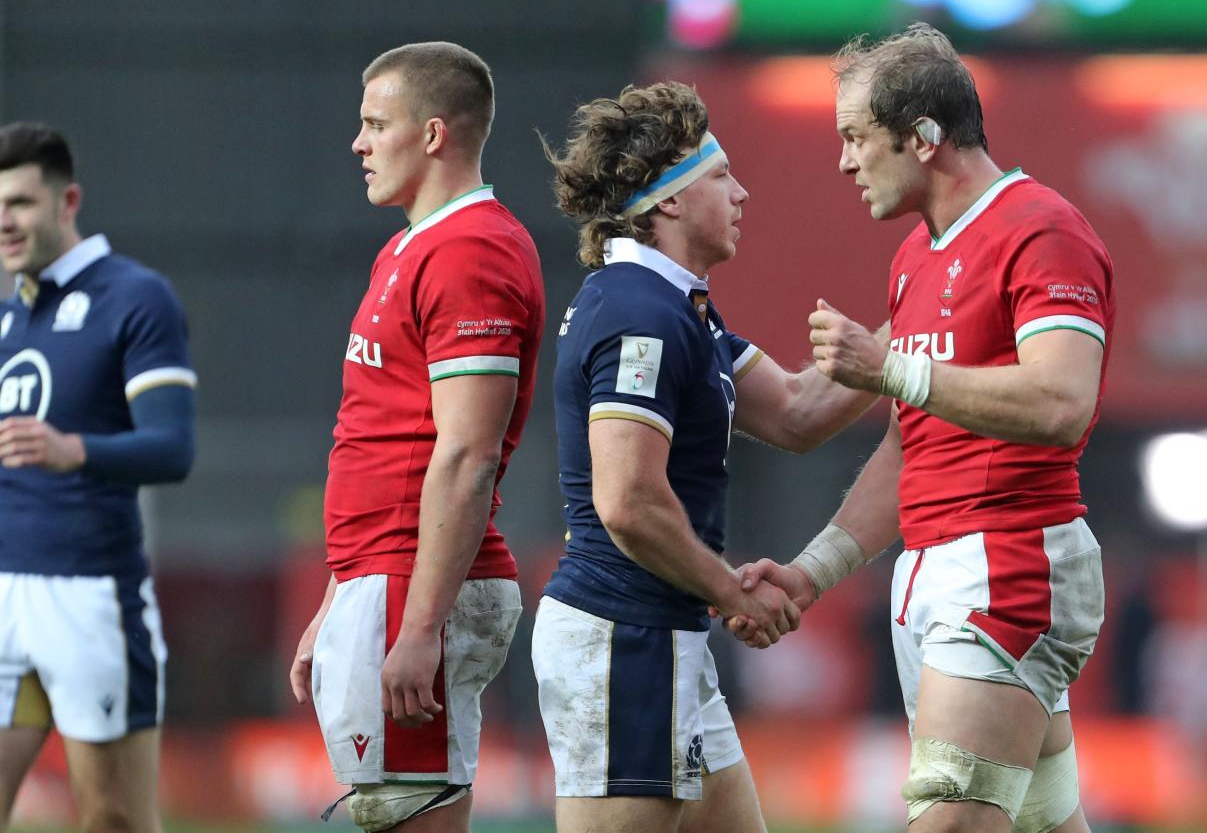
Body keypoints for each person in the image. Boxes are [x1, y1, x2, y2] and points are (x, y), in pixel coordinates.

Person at [734, 23, 1113, 832]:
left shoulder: (1040, 229)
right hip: (941, 567)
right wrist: (810, 574)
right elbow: (914, 444)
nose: (843, 161)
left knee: (948, 819)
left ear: (924, 136)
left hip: (1006, 561)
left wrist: (891, 369)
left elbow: (1060, 403)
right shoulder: (917, 254)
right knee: (1043, 825)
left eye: (855, 137)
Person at [534, 81, 884, 833]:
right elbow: (626, 501)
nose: (742, 192)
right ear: (667, 201)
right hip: (624, 635)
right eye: (720, 175)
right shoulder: (641, 311)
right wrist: (730, 591)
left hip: (660, 634)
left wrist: (925, 317)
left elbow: (797, 412)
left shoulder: (678, 307)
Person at [288, 42, 545, 833]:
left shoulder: (470, 249)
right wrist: (340, 590)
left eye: (375, 124)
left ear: (432, 134)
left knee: (408, 816)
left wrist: (420, 623)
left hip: (409, 583)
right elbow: (389, 436)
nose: (357, 144)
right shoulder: (407, 246)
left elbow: (466, 455)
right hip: (381, 574)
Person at [0, 122, 197, 830]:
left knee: (112, 818)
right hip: (3, 591)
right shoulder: (6, 318)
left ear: (67, 200)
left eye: (19, 201)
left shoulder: (135, 298)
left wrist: (73, 450)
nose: (4, 221)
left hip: (89, 596)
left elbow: (172, 449)